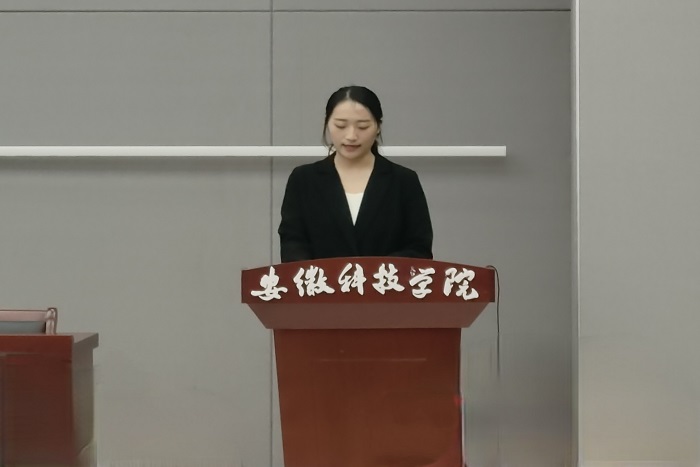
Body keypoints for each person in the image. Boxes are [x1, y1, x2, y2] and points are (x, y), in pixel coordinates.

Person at [278, 85, 433, 263]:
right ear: (327, 124)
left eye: (362, 126)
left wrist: (373, 272)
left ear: (378, 127)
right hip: (321, 281)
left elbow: (419, 248)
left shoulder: (403, 181)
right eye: (341, 125)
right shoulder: (303, 179)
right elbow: (292, 244)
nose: (351, 136)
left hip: (385, 280)